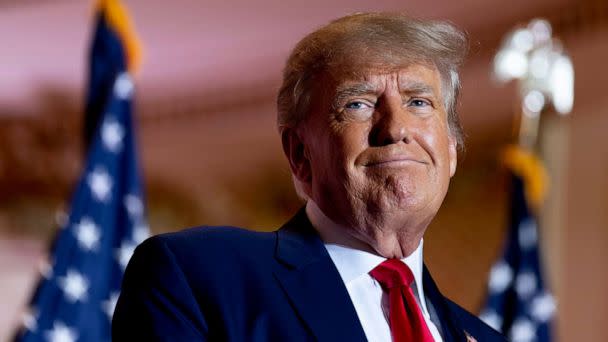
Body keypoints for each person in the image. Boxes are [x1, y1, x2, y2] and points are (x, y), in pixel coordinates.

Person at [112, 12, 506, 341]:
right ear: (300, 154)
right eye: (358, 104)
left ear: (451, 150)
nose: (395, 128)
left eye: (419, 102)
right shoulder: (198, 278)